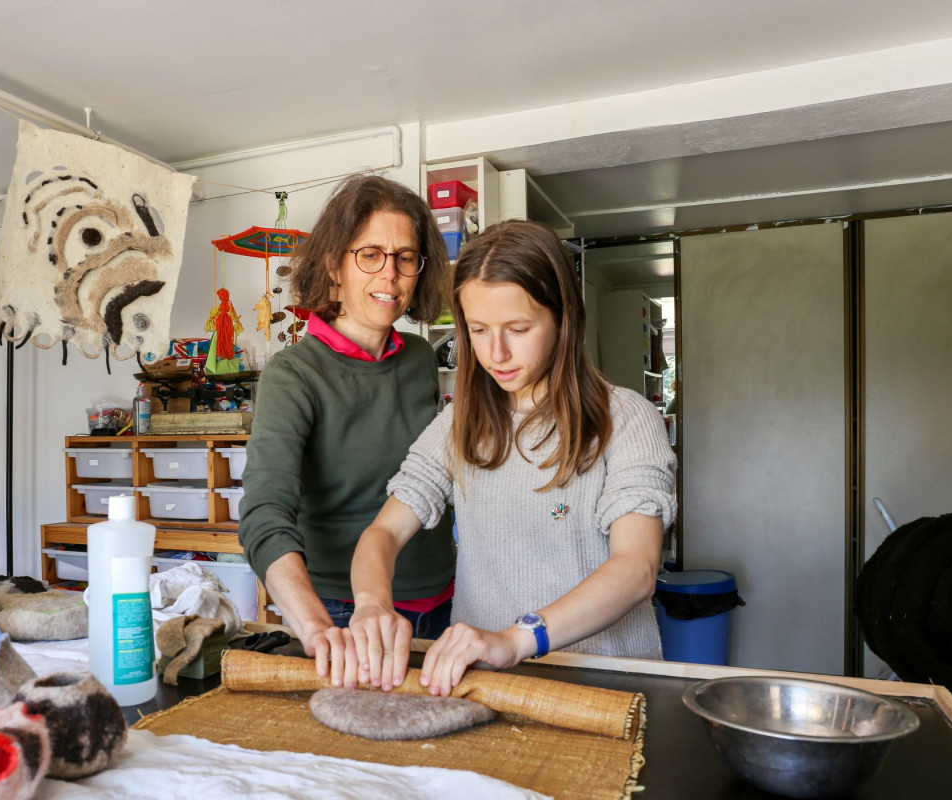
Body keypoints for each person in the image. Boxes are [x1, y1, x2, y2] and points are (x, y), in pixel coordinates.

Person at [346, 219, 677, 695]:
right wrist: (373, 602)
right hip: (486, 687)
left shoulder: (625, 418)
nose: (496, 352)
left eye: (518, 328)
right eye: (478, 330)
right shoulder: (460, 424)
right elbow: (383, 532)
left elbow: (636, 569)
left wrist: (516, 639)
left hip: (606, 686)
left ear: (564, 318)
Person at [238, 174, 457, 687]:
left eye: (406, 257)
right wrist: (315, 627)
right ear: (334, 264)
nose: (391, 273)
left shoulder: (421, 358)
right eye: (371, 254)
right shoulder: (294, 375)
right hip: (342, 613)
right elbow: (264, 515)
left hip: (443, 598)